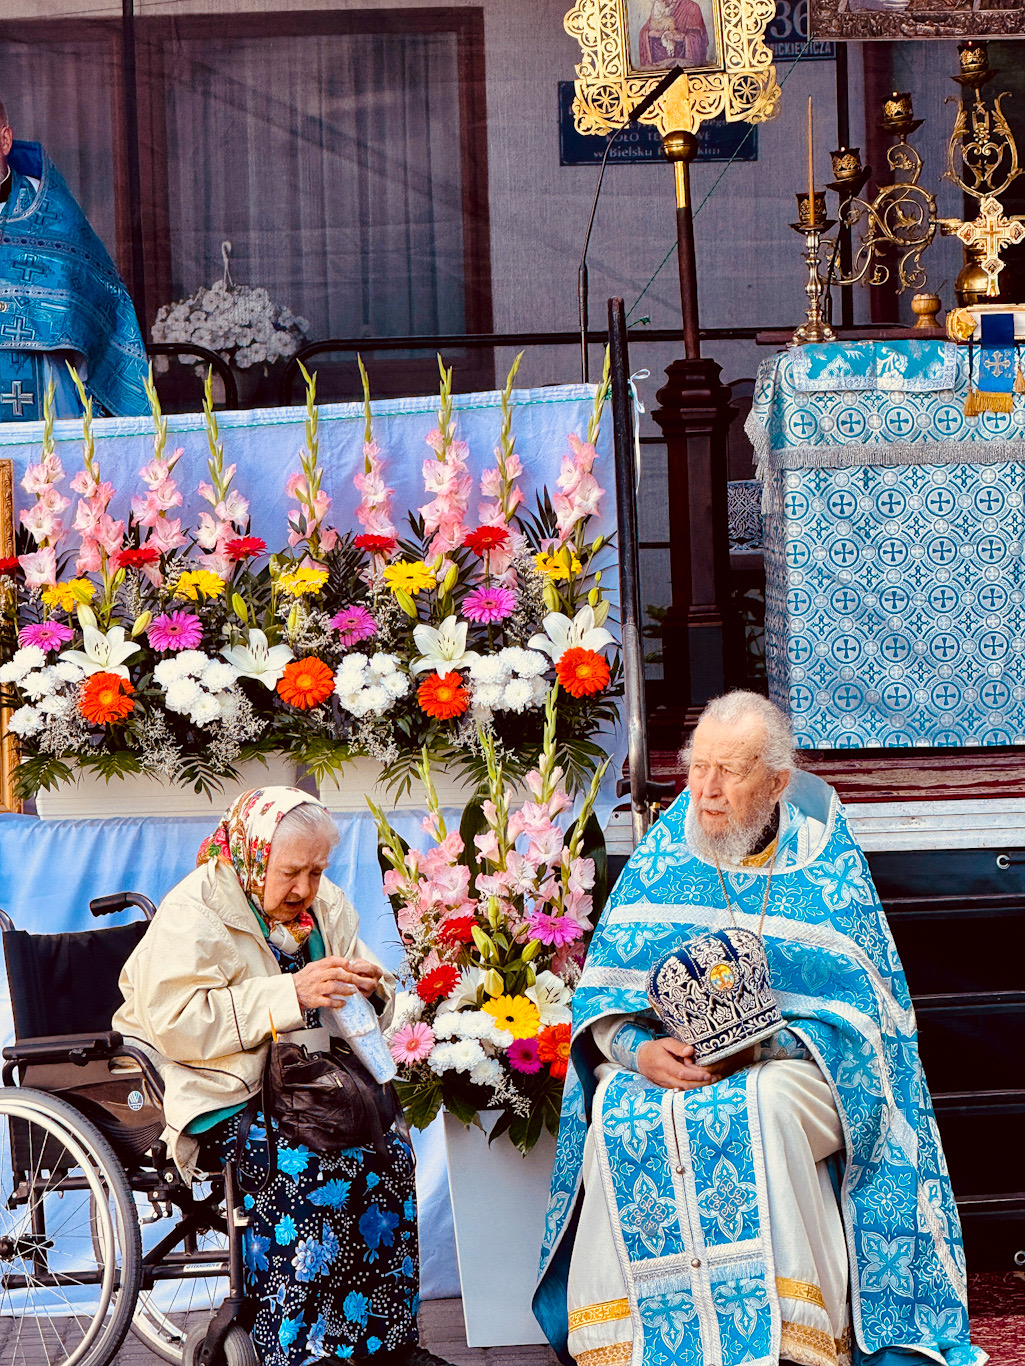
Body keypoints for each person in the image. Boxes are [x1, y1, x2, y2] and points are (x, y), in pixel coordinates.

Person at [534, 692, 984, 1366]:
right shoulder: (663, 856)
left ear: (777, 782)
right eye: (697, 769)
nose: (706, 793)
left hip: (804, 1075)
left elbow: (866, 1024)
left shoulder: (825, 866)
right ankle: (628, 1343)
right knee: (618, 1104)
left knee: (761, 1103)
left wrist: (758, 1044)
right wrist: (638, 1052)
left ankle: (793, 1339)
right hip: (671, 1065)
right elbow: (606, 1000)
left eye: (731, 773)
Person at [114, 787, 450, 1366]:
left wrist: (373, 991)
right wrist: (288, 992)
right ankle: (301, 1350)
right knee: (308, 1165)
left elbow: (370, 1001)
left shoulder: (325, 905)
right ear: (250, 854)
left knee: (388, 1157)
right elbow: (176, 1022)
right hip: (220, 1085)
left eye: (317, 871)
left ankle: (386, 1348)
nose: (305, 890)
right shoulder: (193, 912)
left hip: (309, 1088)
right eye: (291, 872)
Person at [0, 99, 147, 422]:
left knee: (48, 471)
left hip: (44, 383)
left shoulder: (54, 214)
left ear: (5, 140)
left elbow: (102, 300)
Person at [638, 0, 709, 68]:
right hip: (658, 67)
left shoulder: (692, 7)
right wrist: (657, 34)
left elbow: (697, 40)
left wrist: (679, 37)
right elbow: (644, 33)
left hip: (682, 65)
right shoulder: (659, 5)